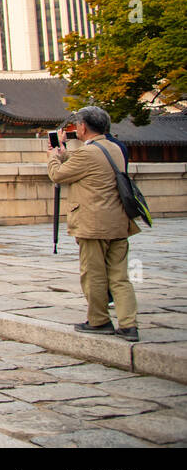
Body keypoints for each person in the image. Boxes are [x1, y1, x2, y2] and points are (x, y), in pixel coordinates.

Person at [47, 105, 140, 341]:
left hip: (94, 224)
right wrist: (64, 152)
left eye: (78, 124)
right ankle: (129, 324)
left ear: (84, 126)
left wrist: (52, 159)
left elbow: (59, 175)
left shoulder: (88, 153)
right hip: (118, 222)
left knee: (94, 275)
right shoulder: (114, 148)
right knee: (119, 276)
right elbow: (91, 164)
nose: (76, 128)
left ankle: (99, 320)